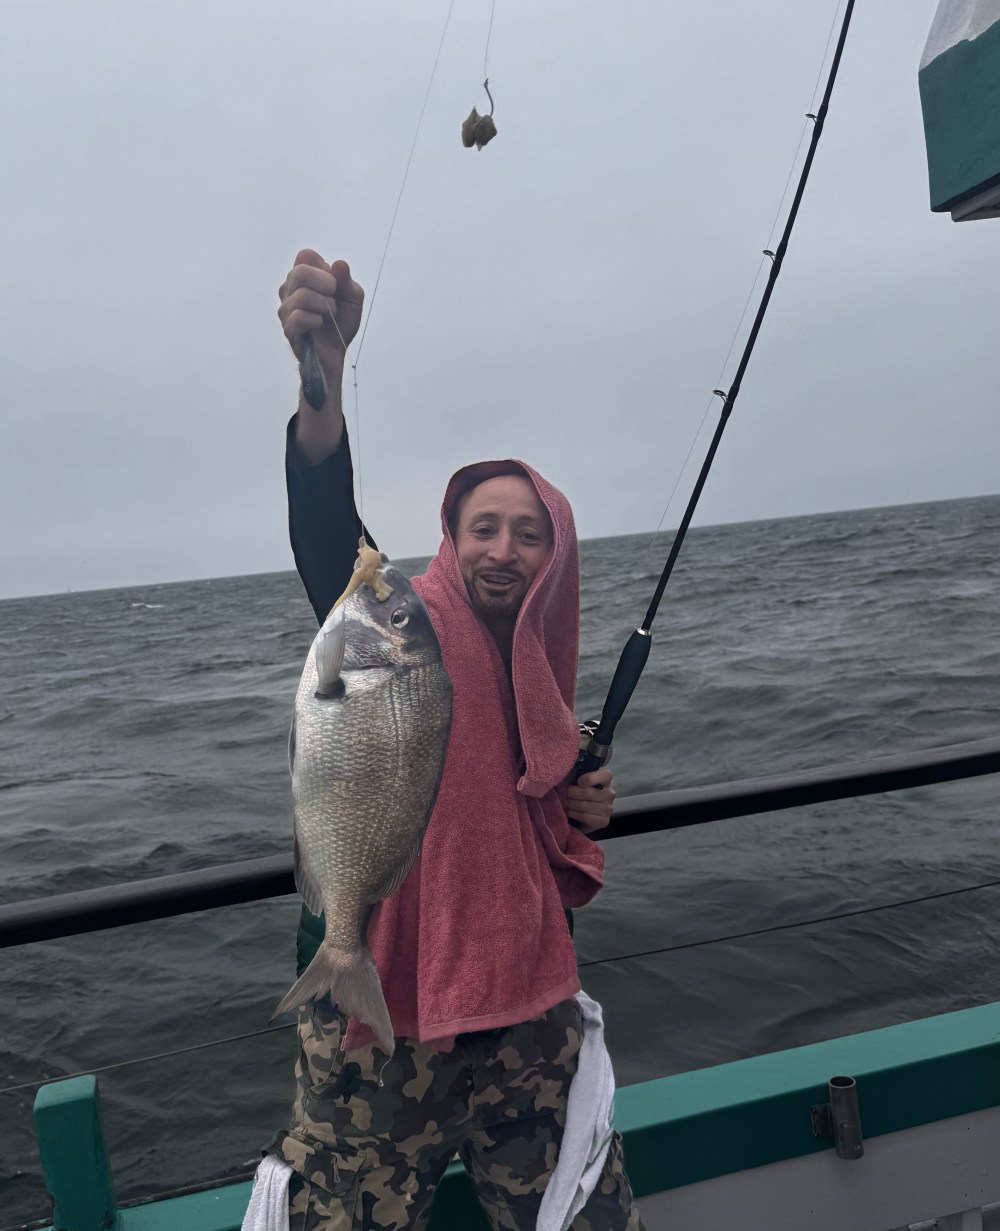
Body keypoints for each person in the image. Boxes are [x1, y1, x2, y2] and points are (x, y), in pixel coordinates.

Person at [265, 249, 644, 1231]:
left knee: (584, 1217)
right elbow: (322, 530)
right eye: (484, 527)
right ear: (448, 534)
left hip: (526, 1008)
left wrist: (579, 794)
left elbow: (535, 789)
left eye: (529, 534)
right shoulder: (393, 620)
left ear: (553, 557)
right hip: (374, 1015)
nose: (503, 550)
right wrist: (323, 382)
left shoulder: (543, 673)